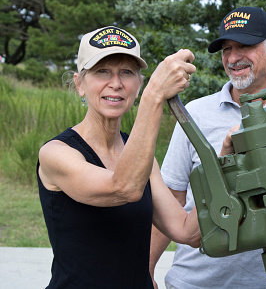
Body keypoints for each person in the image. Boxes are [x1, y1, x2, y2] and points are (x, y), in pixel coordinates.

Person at [37, 26, 201, 289]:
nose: (115, 83)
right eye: (102, 71)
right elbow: (123, 188)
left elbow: (186, 231)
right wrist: (155, 95)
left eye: (126, 72)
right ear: (80, 84)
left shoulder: (143, 159)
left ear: (138, 85)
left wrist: (229, 165)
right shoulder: (56, 153)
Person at [149, 7, 266, 289]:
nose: (233, 58)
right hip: (194, 283)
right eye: (226, 49)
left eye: (244, 46)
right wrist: (145, 269)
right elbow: (172, 199)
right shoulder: (196, 114)